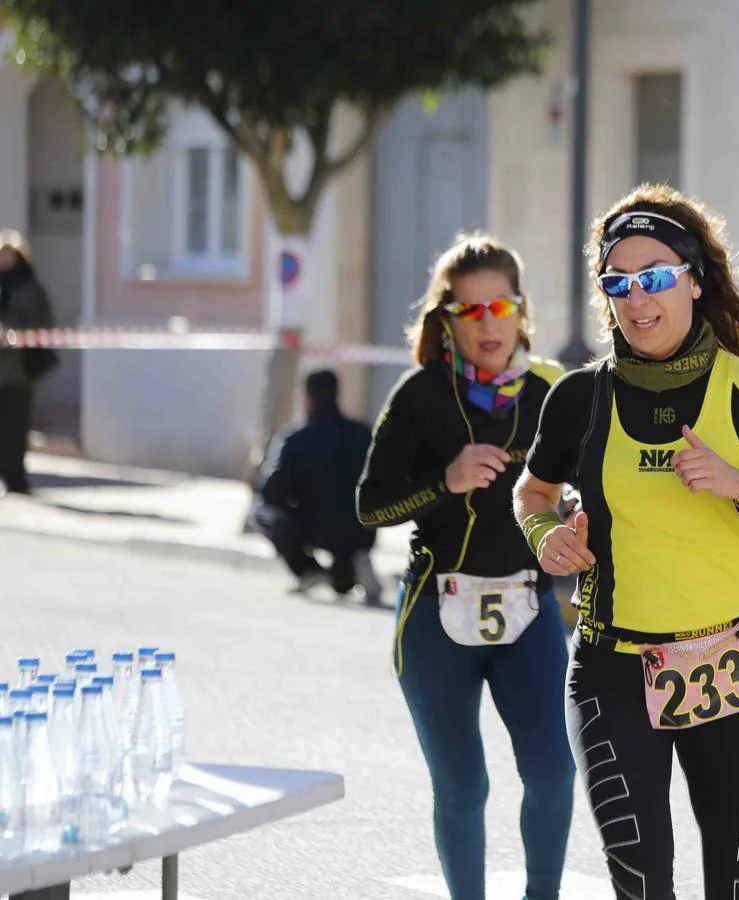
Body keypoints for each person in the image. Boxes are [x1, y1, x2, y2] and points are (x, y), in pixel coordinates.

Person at [514, 184, 739, 900]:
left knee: (737, 889)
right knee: (640, 885)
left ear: (695, 280)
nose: (638, 299)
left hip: (731, 666)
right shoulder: (579, 398)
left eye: (657, 276)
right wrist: (545, 537)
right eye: (619, 283)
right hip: (613, 672)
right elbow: (531, 494)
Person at [356, 234, 575, 900]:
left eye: (499, 307)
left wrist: (572, 511)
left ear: (521, 311)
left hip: (528, 609)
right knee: (462, 786)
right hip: (434, 616)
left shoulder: (551, 391)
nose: (488, 324)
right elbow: (369, 506)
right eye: (470, 311)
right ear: (448, 318)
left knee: (552, 775)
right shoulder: (421, 394)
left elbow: (591, 487)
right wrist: (443, 481)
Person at [251, 369, 382, 602]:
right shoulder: (363, 434)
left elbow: (272, 491)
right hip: (361, 528)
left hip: (314, 527)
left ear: (307, 397)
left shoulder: (297, 438)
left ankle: (308, 570)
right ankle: (355, 563)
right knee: (343, 584)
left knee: (261, 513)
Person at [0, 230, 55, 496]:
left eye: (8, 255)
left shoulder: (29, 287)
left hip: (17, 371)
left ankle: (15, 479)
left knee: (14, 426)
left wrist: (12, 332)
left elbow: (40, 325)